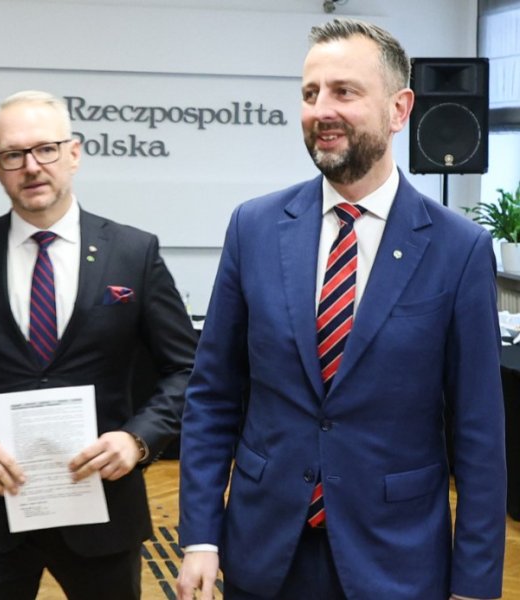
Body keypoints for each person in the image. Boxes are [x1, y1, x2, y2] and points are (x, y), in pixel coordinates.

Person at [177, 18, 506, 600]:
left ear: (399, 109)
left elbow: (479, 430)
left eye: (344, 92)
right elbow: (212, 395)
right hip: (263, 554)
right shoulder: (254, 228)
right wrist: (200, 535)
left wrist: (474, 585)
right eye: (310, 94)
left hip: (395, 561)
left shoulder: (459, 249)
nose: (321, 110)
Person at [0, 90, 196, 600]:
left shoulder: (133, 252)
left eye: (46, 149)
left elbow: (187, 369)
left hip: (101, 509)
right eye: (14, 154)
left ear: (74, 153)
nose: (32, 166)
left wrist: (137, 439)